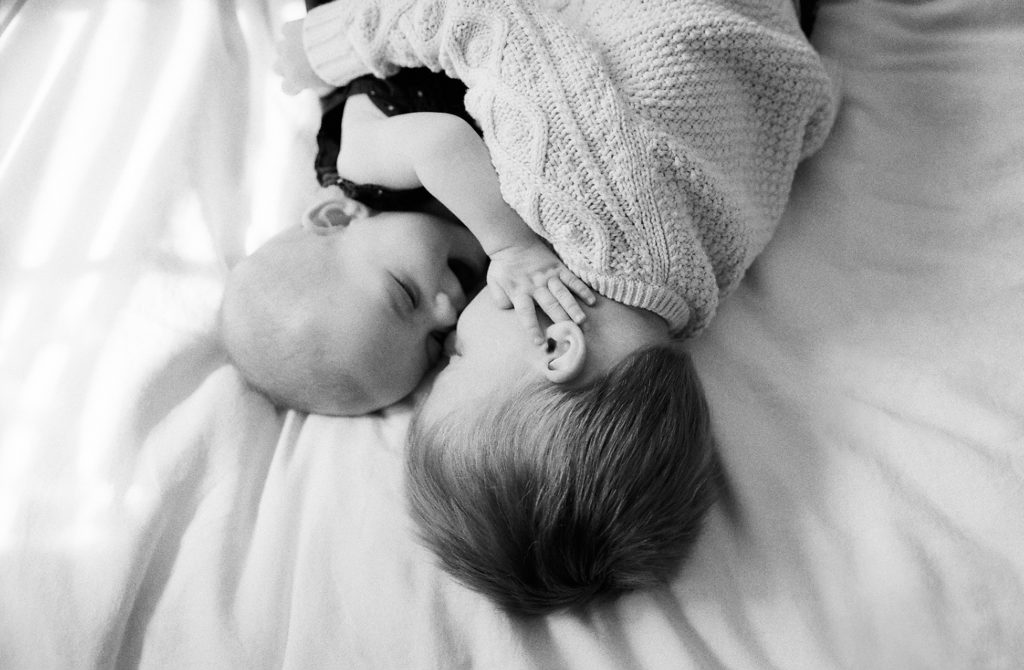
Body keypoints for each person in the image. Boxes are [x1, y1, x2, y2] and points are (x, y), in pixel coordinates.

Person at [285, 0, 838, 613]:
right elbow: (487, 23)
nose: (450, 332)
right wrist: (330, 45)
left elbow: (794, 116)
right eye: (458, 362)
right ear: (555, 347)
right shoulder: (584, 207)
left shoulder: (696, 289)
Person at [220, 58, 595, 416]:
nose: (447, 312)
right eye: (434, 343)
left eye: (406, 293)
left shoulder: (363, 163)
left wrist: (513, 246)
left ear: (337, 218)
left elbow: (443, 144)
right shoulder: (462, 259)